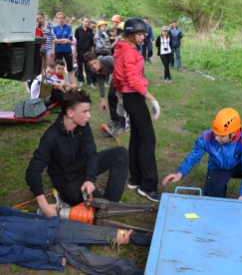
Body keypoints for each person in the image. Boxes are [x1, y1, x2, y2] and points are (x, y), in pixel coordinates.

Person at [25, 90, 129, 216]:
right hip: (66, 179)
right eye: (85, 112)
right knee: (93, 206)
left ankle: (110, 203)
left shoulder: (83, 125)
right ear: (70, 112)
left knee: (121, 153)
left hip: (82, 167)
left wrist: (90, 179)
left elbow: (91, 153)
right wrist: (43, 205)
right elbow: (32, 171)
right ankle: (65, 196)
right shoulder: (51, 137)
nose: (89, 115)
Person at [0, 205, 151, 275]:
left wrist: (44, 210)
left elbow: (9, 211)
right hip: (48, 247)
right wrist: (52, 259)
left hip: (53, 227)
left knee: (116, 234)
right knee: (89, 261)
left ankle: (151, 240)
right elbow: (16, 253)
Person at [162, 108, 242, 201]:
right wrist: (180, 173)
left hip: (238, 166)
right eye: (215, 133)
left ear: (233, 133)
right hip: (217, 168)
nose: (216, 138)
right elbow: (193, 157)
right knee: (212, 201)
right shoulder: (206, 137)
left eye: (221, 136)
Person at [113, 17, 161, 202]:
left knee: (137, 138)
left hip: (129, 97)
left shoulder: (121, 48)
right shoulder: (129, 52)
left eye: (143, 34)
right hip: (134, 97)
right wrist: (152, 99)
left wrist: (119, 90)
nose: (143, 37)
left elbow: (117, 74)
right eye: (140, 34)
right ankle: (148, 186)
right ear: (130, 35)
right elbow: (133, 80)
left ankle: (135, 178)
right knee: (148, 140)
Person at [84, 52, 129, 134]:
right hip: (116, 77)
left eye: (94, 63)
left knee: (122, 98)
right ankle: (116, 120)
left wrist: (119, 89)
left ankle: (125, 124)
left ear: (98, 59)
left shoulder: (108, 60)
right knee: (111, 96)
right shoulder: (94, 70)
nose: (93, 66)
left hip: (126, 74)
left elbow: (121, 70)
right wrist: (102, 100)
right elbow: (100, 82)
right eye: (90, 65)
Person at [51, 12, 76, 85]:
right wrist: (64, 40)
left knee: (70, 69)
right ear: (56, 19)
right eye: (59, 18)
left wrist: (58, 41)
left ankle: (74, 85)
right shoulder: (54, 28)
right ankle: (56, 84)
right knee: (57, 68)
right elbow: (54, 41)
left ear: (65, 19)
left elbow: (69, 40)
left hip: (67, 50)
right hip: (58, 51)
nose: (60, 20)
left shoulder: (69, 28)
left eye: (62, 18)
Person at [74, 17, 95, 87]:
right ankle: (81, 80)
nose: (87, 23)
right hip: (80, 50)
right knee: (80, 66)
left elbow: (92, 42)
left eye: (88, 22)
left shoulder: (90, 31)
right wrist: (76, 52)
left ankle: (90, 82)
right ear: (82, 21)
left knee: (88, 66)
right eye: (85, 21)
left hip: (88, 51)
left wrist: (92, 52)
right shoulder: (78, 30)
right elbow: (75, 42)